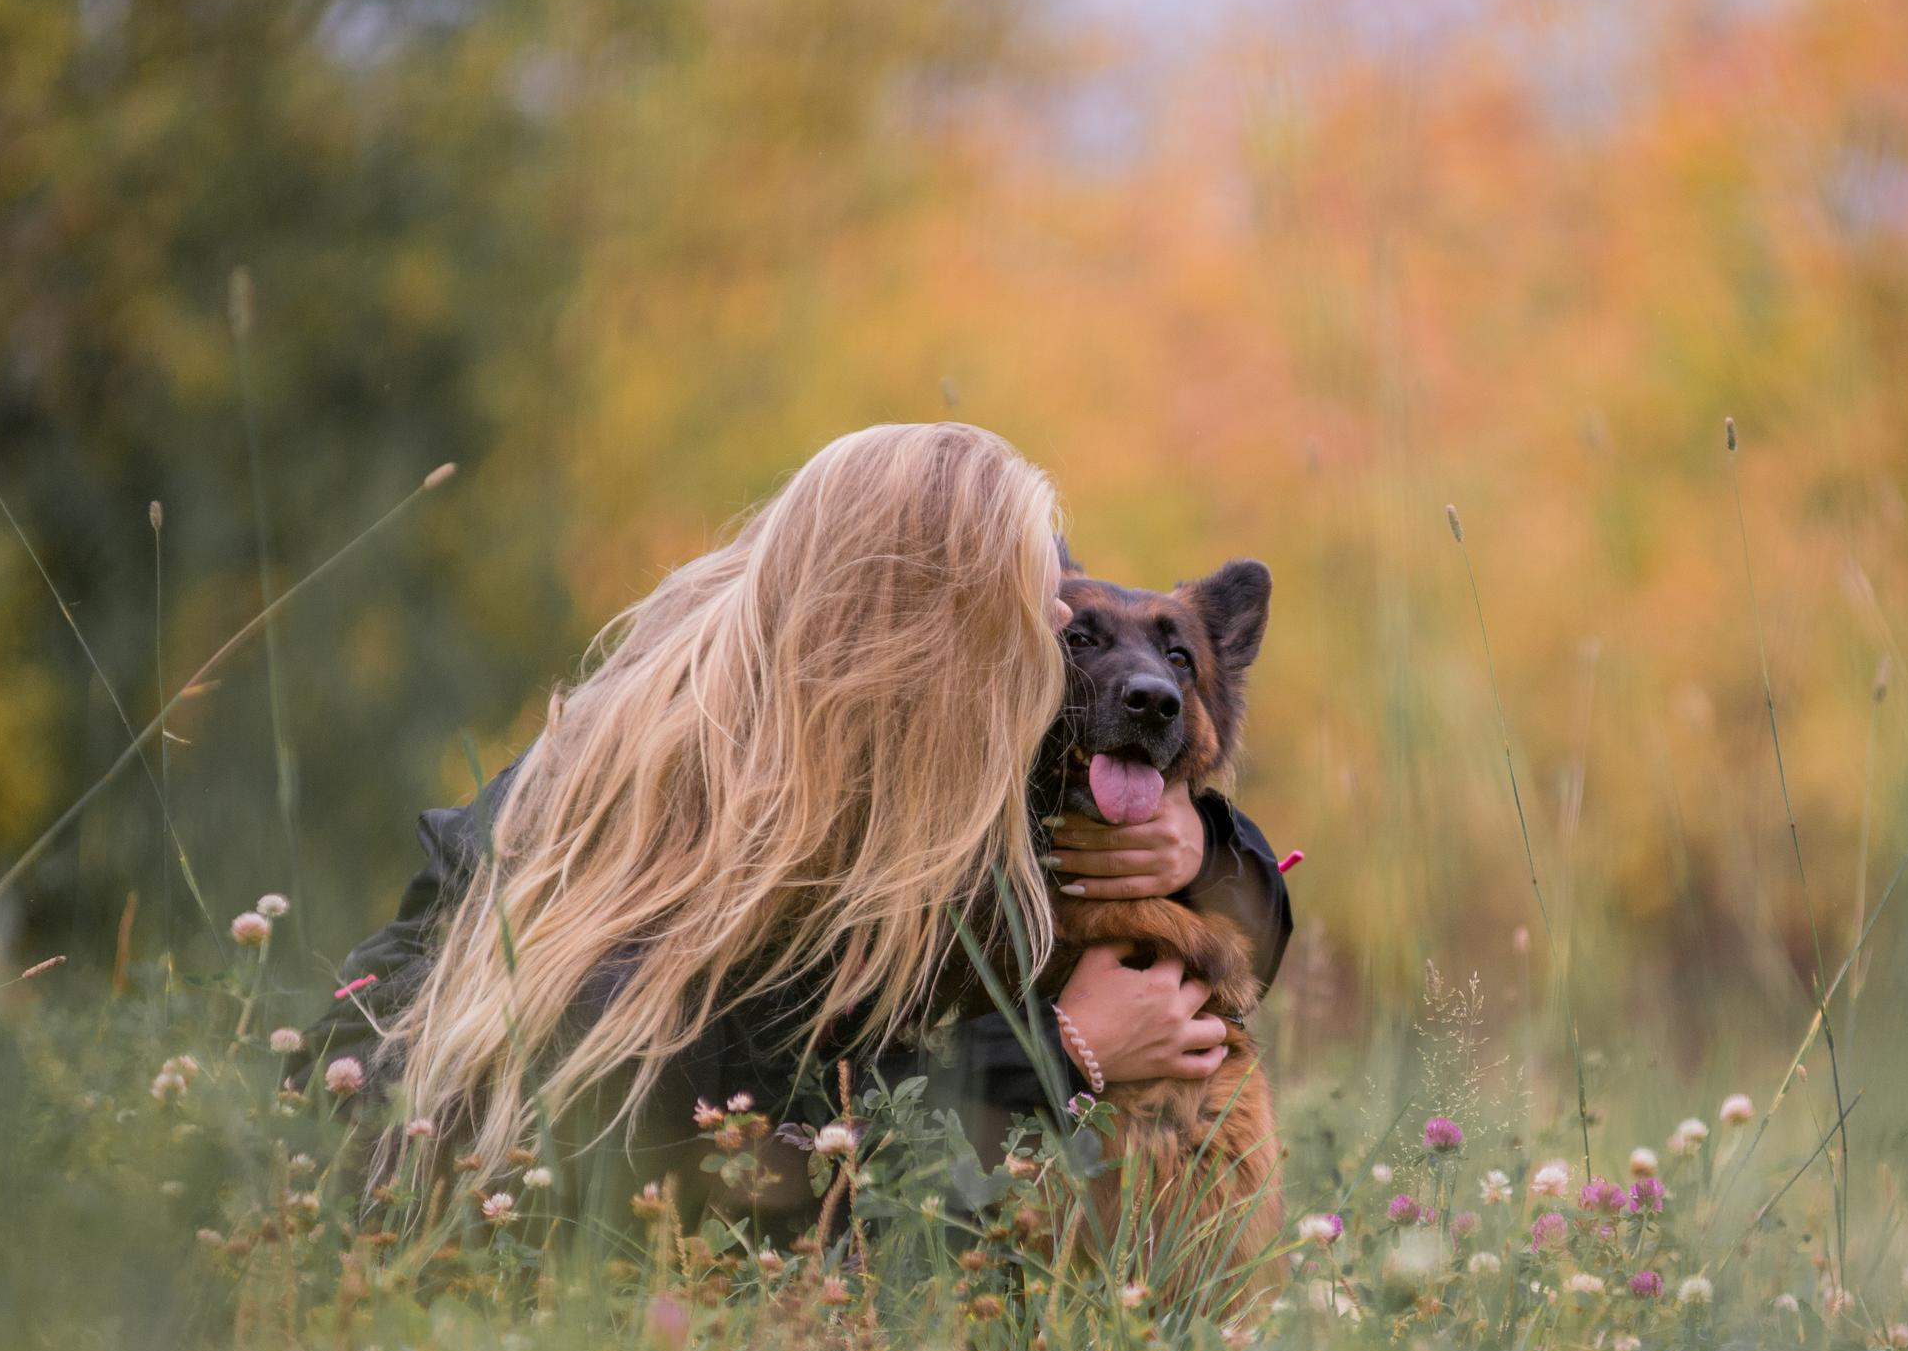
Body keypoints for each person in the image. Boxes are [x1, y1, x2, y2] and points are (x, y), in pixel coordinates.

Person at [312, 423, 1290, 1205]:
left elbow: (1202, 911)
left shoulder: (896, 760)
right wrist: (1059, 1053)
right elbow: (782, 1207)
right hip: (488, 1224)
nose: (1054, 655)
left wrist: (1205, 843)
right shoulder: (680, 849)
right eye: (1040, 626)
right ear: (920, 633)